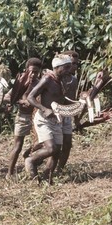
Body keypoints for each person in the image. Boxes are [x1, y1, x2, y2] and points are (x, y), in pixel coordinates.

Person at [26, 54, 74, 183]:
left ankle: (47, 177)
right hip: (43, 119)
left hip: (56, 119)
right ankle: (31, 160)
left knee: (56, 151)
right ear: (57, 67)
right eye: (66, 67)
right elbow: (30, 97)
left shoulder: (64, 80)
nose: (69, 70)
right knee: (51, 148)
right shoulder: (47, 79)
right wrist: (43, 108)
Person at [3, 58, 43, 180]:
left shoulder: (40, 83)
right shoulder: (20, 83)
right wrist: (20, 101)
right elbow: (7, 97)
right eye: (31, 71)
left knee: (40, 144)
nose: (33, 74)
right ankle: (9, 173)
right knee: (17, 146)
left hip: (36, 117)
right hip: (22, 117)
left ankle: (28, 156)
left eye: (36, 72)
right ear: (26, 70)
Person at [54, 50, 81, 175]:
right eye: (71, 63)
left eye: (75, 64)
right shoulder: (55, 78)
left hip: (67, 115)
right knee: (55, 146)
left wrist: (76, 119)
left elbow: (73, 100)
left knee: (67, 144)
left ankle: (59, 170)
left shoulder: (74, 80)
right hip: (55, 115)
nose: (73, 66)